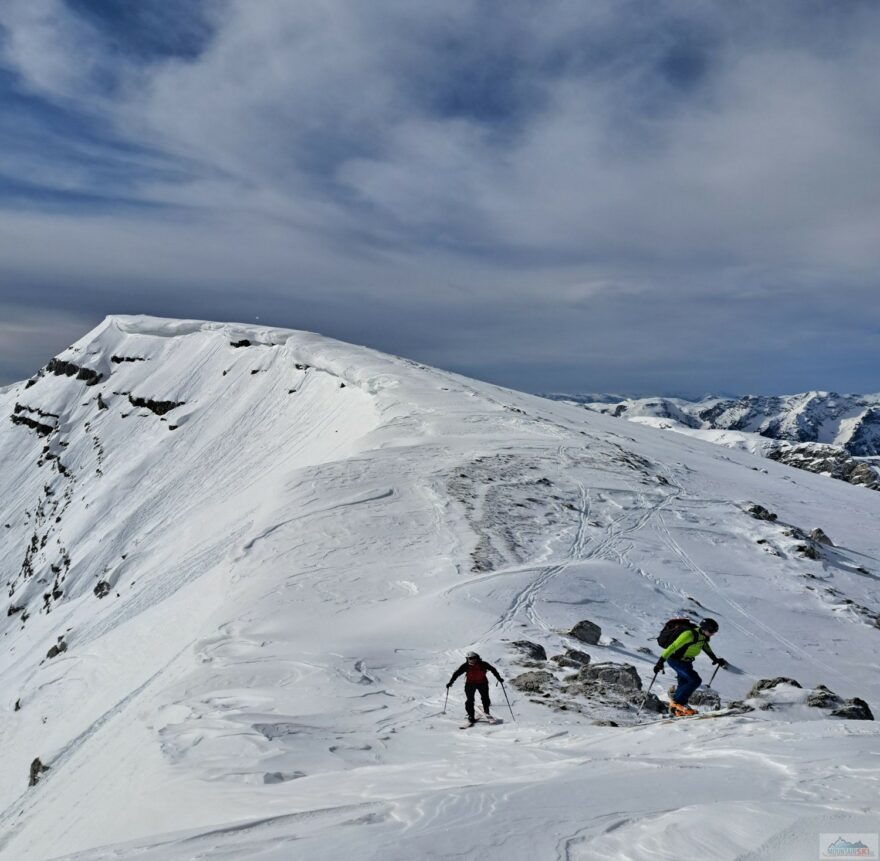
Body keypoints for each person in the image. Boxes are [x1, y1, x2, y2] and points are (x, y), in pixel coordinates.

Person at [654, 618, 728, 716]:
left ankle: (677, 709)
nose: (713, 633)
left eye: (714, 631)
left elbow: (705, 647)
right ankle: (677, 703)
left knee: (684, 682)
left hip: (687, 661)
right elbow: (673, 646)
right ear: (704, 628)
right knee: (695, 680)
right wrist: (660, 661)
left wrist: (715, 659)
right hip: (676, 660)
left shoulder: (703, 637)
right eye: (711, 631)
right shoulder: (689, 634)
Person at [447, 651, 503, 725]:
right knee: (470, 700)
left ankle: (486, 711)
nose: (472, 660)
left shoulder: (483, 664)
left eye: (474, 658)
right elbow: (457, 673)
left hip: (482, 683)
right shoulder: (465, 666)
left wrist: (499, 678)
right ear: (467, 659)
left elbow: (493, 670)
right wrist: (451, 682)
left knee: (485, 698)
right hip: (470, 684)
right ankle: (471, 715)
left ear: (477, 658)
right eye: (470, 658)